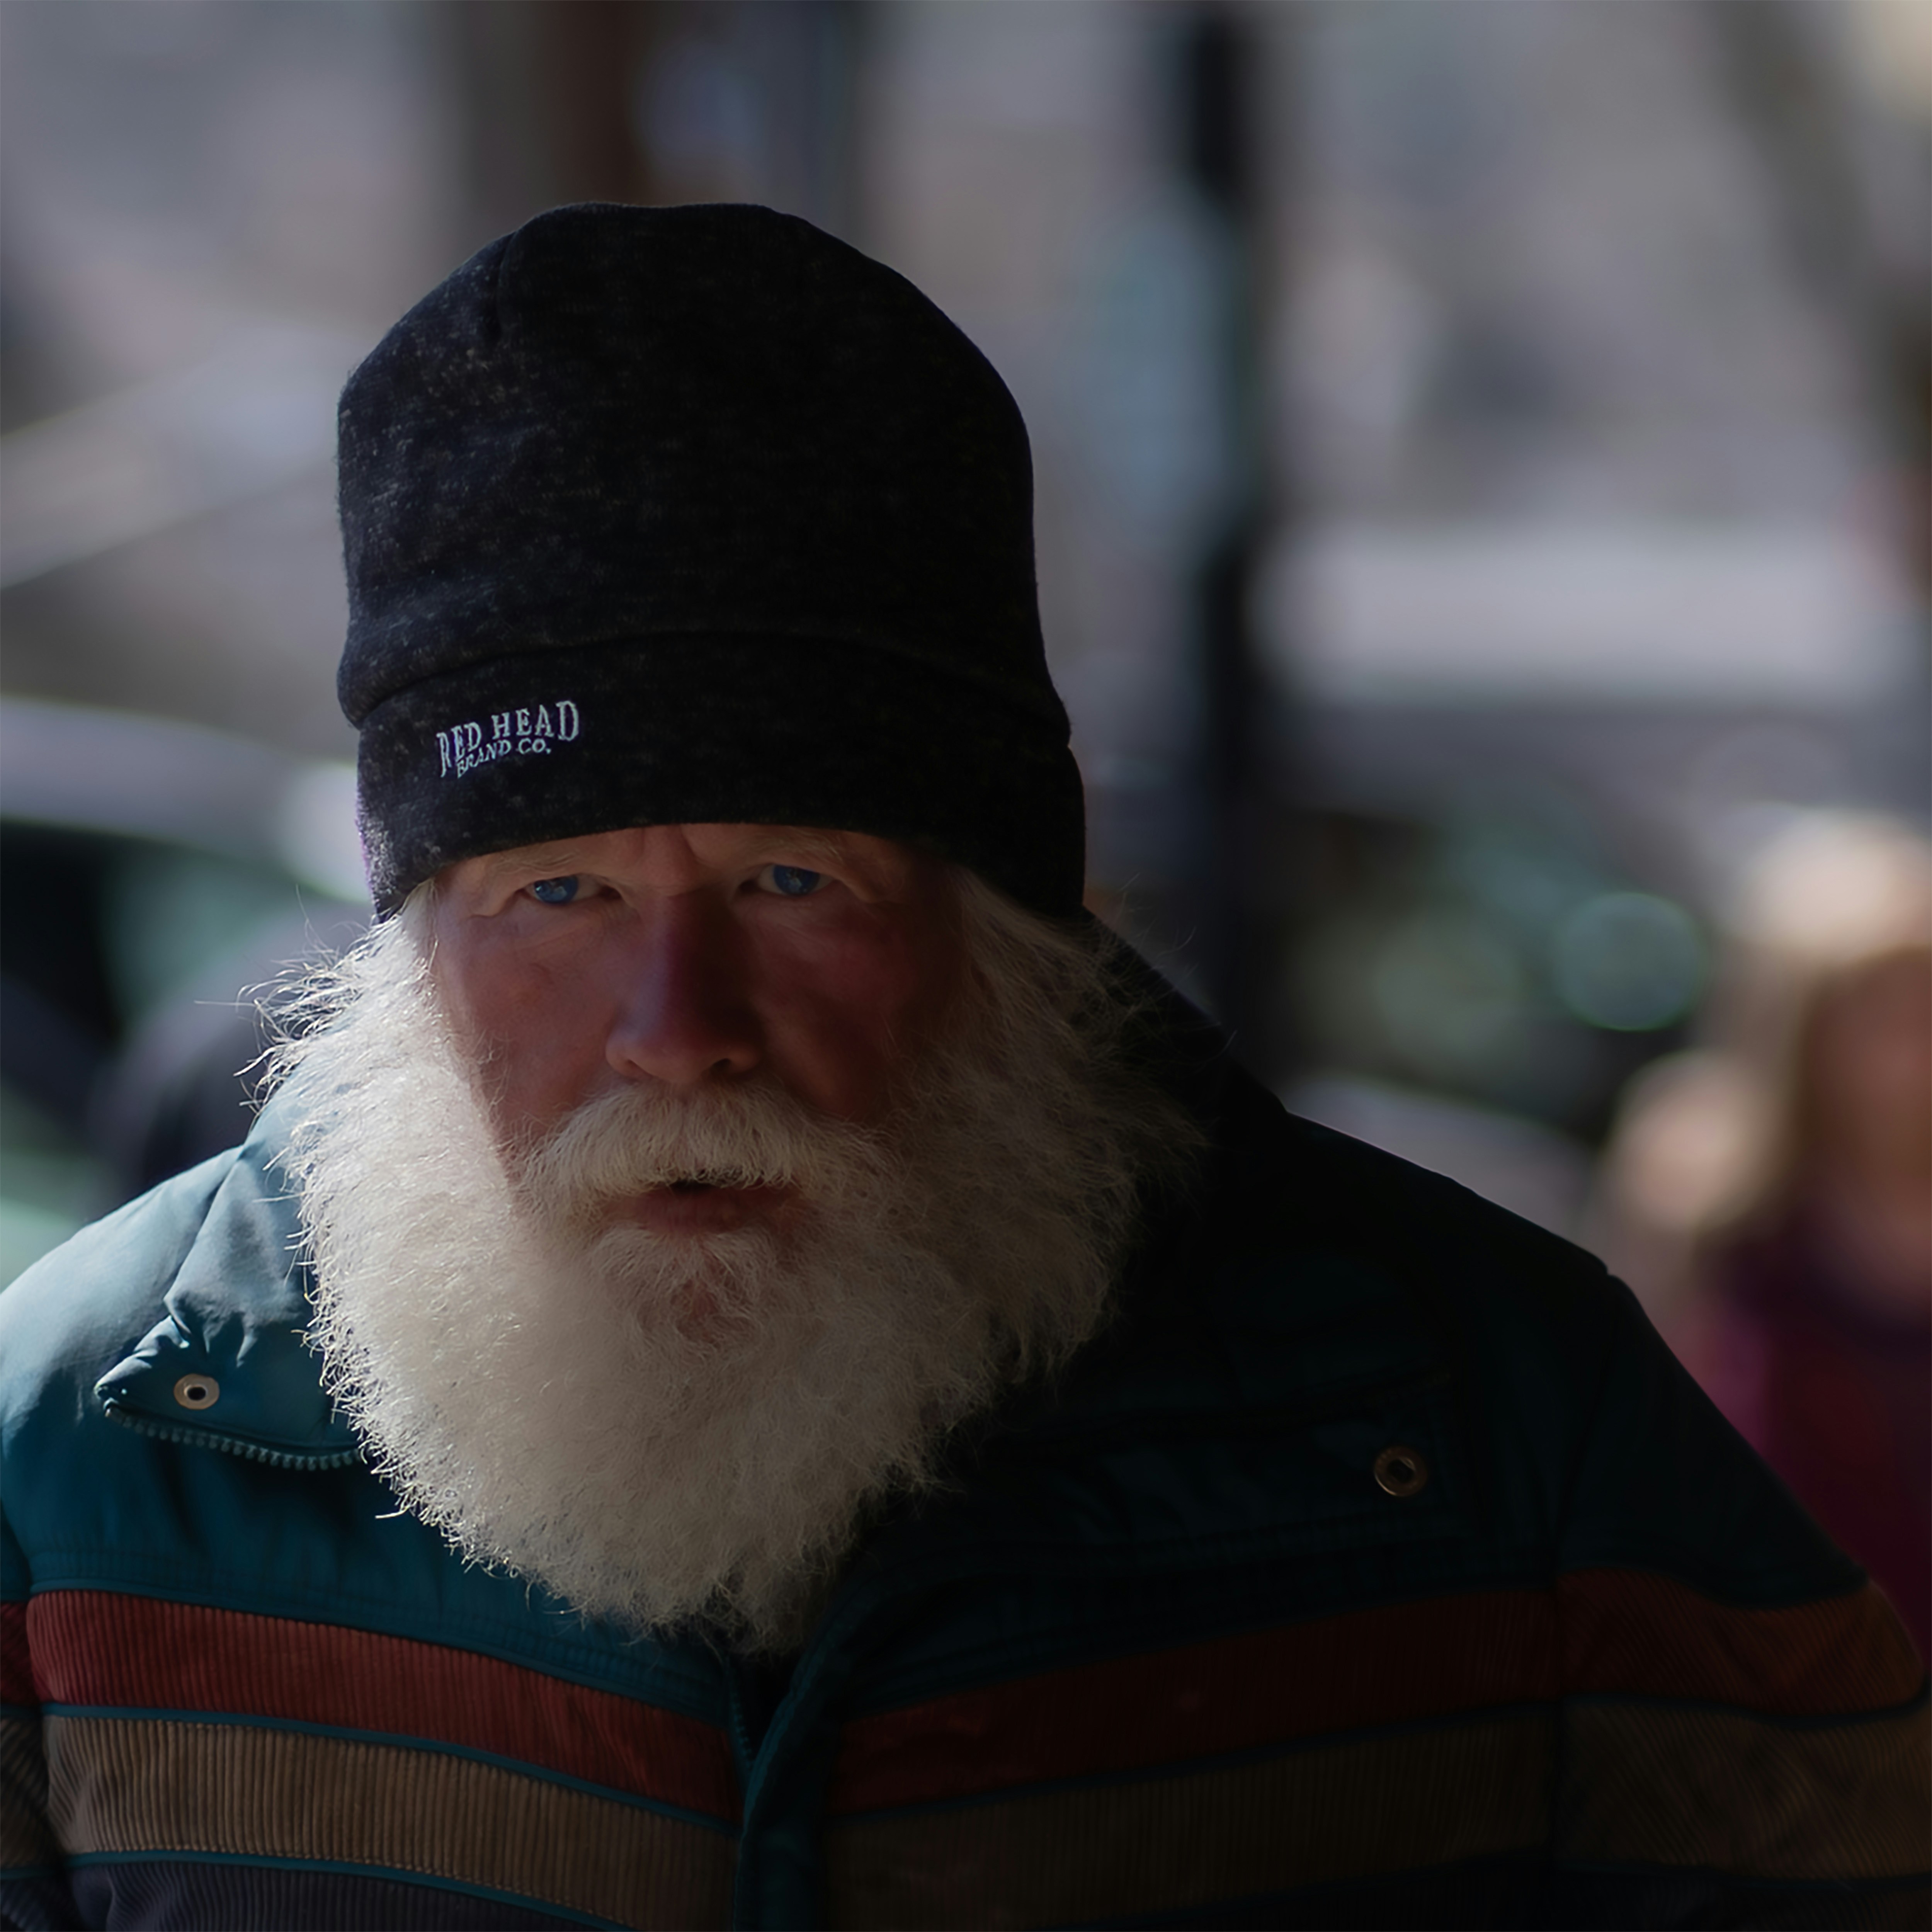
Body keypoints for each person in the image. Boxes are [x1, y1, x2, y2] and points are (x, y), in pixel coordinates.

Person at [2, 205, 1925, 1932]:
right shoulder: (78, 1451)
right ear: (416, 948)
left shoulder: (1487, 1411)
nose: (678, 1024)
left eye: (790, 878)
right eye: (557, 889)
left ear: (1015, 926)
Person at [1594, 813, 1932, 1660]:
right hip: (1778, 1661)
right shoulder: (1702, 1184)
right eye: (1885, 1012)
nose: (1916, 1048)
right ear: (1797, 1021)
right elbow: (1636, 1437)